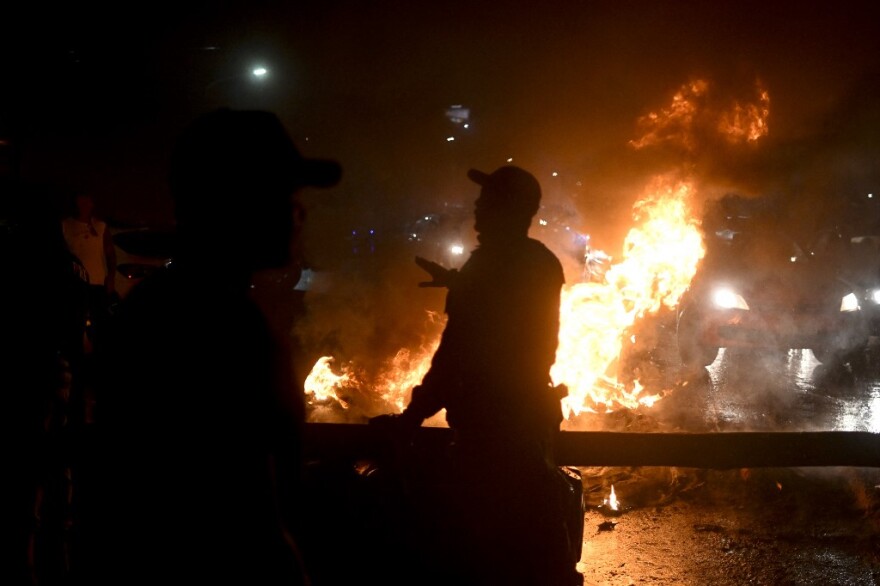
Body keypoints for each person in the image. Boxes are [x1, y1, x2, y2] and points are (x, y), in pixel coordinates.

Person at [82, 109, 341, 584]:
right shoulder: (215, 326)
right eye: (286, 194)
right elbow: (244, 519)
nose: (299, 212)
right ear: (238, 200)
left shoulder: (176, 305)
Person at [372, 165, 584, 585]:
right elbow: (509, 314)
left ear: (508, 210)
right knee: (540, 549)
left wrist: (412, 416)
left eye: (485, 203)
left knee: (472, 552)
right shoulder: (539, 262)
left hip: (488, 433)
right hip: (530, 423)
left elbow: (458, 354)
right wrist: (460, 283)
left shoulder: (488, 266)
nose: (476, 210)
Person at [61, 192, 117, 354]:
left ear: (92, 204)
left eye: (87, 201)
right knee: (75, 323)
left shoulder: (100, 226)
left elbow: (110, 255)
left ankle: (99, 354)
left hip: (98, 283)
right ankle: (76, 356)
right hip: (76, 284)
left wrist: (111, 277)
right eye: (81, 201)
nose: (84, 205)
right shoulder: (66, 225)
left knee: (100, 323)